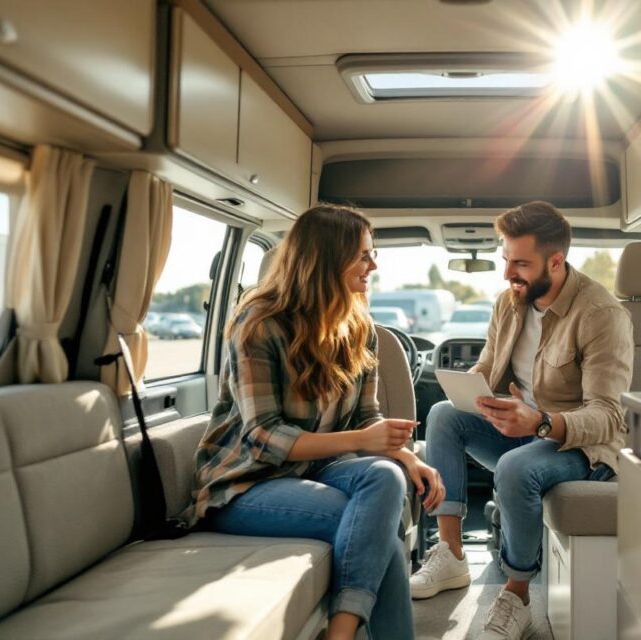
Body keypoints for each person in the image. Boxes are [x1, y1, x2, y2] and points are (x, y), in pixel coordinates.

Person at [182, 204, 445, 640]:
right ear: (327, 258)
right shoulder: (260, 324)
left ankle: (341, 631)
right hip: (247, 484)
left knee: (386, 478)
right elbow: (264, 436)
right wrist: (362, 439)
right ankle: (346, 633)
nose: (373, 265)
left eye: (373, 254)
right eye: (363, 255)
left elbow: (368, 417)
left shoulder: (360, 328)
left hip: (318, 470)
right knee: (372, 523)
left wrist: (408, 458)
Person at [409, 201, 633, 640]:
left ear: (556, 261)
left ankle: (517, 597)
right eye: (505, 259)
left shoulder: (602, 315)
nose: (507, 273)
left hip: (579, 446)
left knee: (515, 467)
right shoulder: (509, 303)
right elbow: (489, 368)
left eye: (520, 264)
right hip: (523, 429)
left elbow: (608, 416)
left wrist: (541, 423)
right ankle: (451, 554)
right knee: (441, 415)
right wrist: (470, 389)